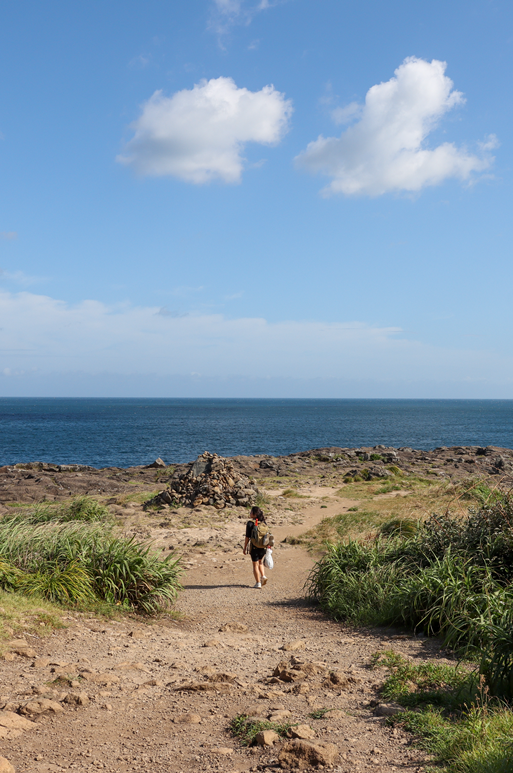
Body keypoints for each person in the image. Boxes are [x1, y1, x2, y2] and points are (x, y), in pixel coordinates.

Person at [243, 506, 269, 589]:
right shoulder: (264, 522)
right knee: (260, 562)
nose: (250, 513)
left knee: (255, 565)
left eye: (251, 512)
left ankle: (258, 583)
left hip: (254, 547)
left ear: (254, 514)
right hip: (263, 547)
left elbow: (247, 537)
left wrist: (245, 547)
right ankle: (263, 576)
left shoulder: (250, 523)